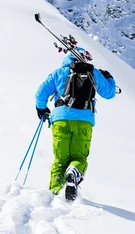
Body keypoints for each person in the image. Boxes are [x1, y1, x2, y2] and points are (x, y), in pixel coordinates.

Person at [35, 47, 116, 201]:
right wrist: (109, 77)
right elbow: (110, 93)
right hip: (84, 122)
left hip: (60, 121)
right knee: (79, 157)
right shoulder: (93, 73)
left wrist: (41, 109)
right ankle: (74, 171)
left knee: (60, 159)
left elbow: (41, 93)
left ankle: (54, 195)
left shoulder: (58, 73)